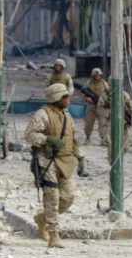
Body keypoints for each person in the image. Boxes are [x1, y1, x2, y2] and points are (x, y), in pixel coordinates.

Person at [24, 84, 86, 248]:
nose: (68, 100)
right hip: (47, 161)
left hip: (66, 161)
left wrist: (80, 159)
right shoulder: (43, 114)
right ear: (55, 99)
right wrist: (47, 139)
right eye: (64, 97)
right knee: (52, 197)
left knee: (67, 197)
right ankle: (53, 236)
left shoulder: (67, 115)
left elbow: (73, 139)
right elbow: (29, 135)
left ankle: (42, 218)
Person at [99, 90, 132, 158]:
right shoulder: (105, 95)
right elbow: (100, 109)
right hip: (111, 122)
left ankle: (118, 160)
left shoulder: (124, 95)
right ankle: (113, 164)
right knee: (111, 143)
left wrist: (130, 121)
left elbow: (131, 109)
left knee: (126, 147)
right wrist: (111, 113)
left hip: (123, 123)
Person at [83, 68, 110, 147]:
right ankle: (88, 137)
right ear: (93, 76)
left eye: (99, 75)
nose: (98, 77)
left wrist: (105, 101)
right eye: (96, 75)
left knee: (103, 124)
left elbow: (109, 94)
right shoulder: (88, 84)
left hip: (101, 108)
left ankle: (103, 140)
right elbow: (83, 93)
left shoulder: (105, 84)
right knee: (88, 123)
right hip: (91, 107)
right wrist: (86, 98)